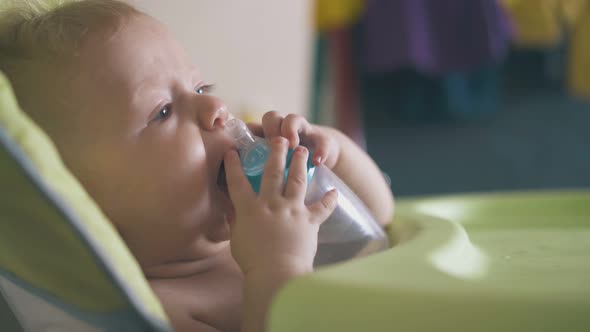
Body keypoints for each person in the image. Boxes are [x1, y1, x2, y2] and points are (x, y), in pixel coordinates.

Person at [0, 1, 394, 331]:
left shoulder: (267, 226)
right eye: (164, 111)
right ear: (81, 199)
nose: (217, 108)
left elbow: (382, 219)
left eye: (201, 88)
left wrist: (330, 156)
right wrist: (279, 267)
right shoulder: (164, 309)